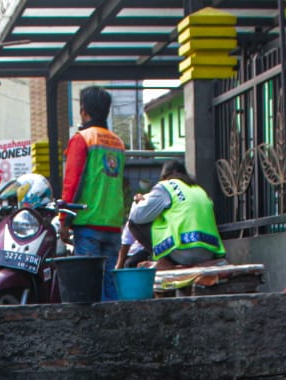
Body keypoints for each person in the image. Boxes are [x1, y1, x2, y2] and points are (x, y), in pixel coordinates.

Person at [60, 85, 126, 300]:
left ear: (83, 110)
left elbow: (72, 183)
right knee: (109, 282)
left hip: (88, 223)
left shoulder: (82, 139)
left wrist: (64, 221)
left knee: (89, 286)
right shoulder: (118, 143)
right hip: (113, 224)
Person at [127, 160, 225, 270]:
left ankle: (165, 261)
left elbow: (137, 216)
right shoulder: (200, 190)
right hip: (209, 252)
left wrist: (139, 202)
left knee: (133, 223)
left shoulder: (166, 186)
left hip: (181, 251)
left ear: (167, 175)